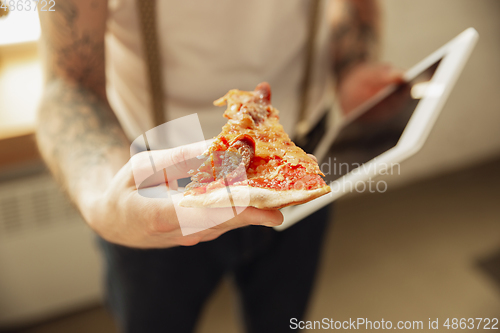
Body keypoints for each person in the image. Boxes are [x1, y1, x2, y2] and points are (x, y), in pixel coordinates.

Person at [36, 0, 401, 332]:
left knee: (283, 321)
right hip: (162, 180)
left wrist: (352, 66)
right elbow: (69, 81)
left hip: (301, 151)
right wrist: (103, 198)